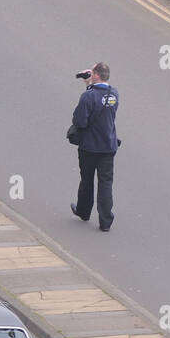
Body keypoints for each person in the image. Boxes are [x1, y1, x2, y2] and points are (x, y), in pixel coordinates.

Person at [70, 62, 120, 232]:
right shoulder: (114, 93)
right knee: (105, 183)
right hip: (108, 145)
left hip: (89, 147)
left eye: (91, 72)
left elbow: (79, 121)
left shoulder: (88, 96)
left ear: (96, 75)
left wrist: (88, 87)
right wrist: (90, 85)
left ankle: (83, 211)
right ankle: (106, 221)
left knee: (87, 180)